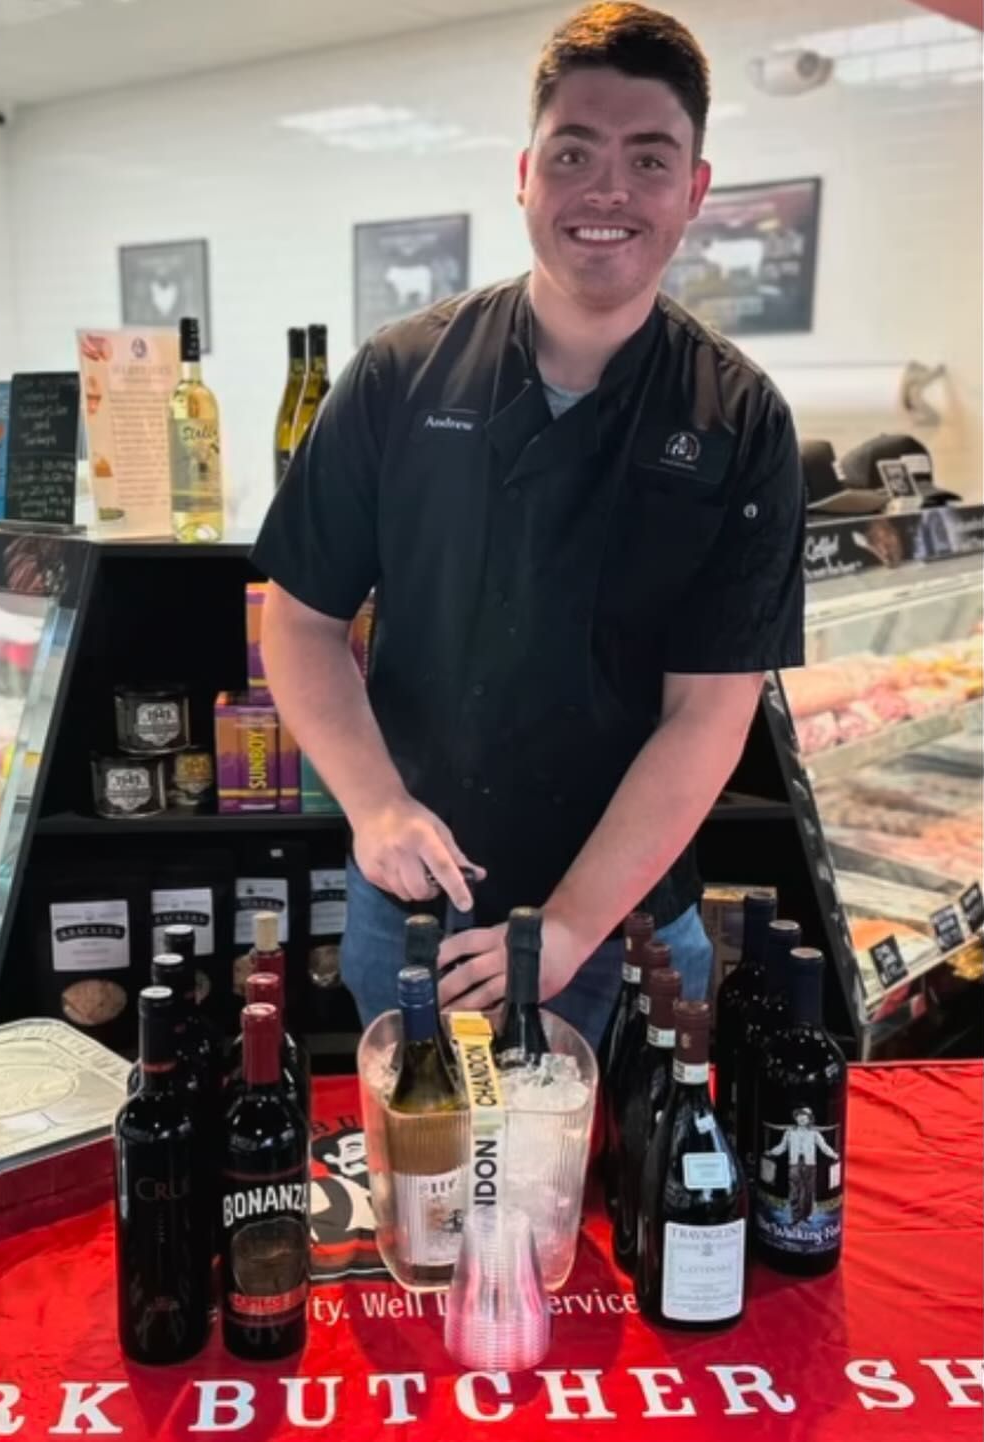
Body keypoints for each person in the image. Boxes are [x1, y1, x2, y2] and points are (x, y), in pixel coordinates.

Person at [252, 2, 805, 1052]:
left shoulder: (738, 419)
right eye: (573, 152)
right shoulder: (401, 373)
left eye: (648, 160)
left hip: (628, 925)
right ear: (522, 173)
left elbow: (707, 716)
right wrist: (373, 807)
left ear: (693, 191)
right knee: (418, 1201)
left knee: (620, 1204)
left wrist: (566, 925)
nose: (606, 190)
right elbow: (301, 621)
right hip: (415, 904)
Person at [764, 1108, 839, 1224]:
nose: (802, 1119)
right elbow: (782, 1147)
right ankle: (795, 1216)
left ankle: (806, 1216)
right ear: (796, 1118)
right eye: (799, 1116)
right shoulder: (789, 1132)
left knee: (808, 1190)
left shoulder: (814, 1133)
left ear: (809, 1119)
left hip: (809, 1164)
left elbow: (824, 1146)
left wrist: (833, 1154)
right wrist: (772, 1152)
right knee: (794, 1190)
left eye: (805, 1117)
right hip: (794, 1163)